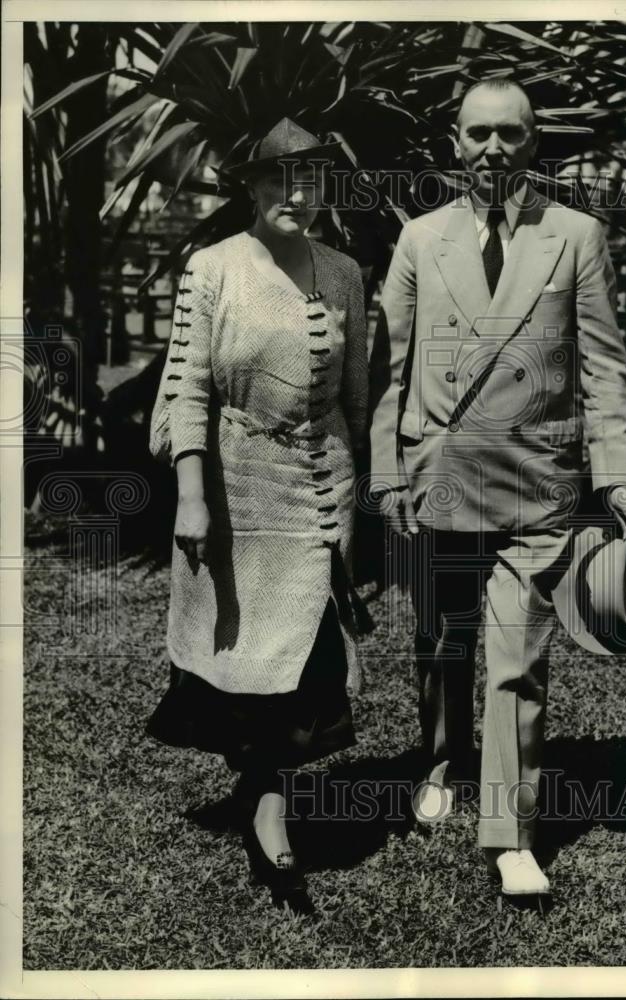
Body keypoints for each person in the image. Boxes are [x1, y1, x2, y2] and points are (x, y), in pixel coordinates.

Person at [369, 79, 626, 897]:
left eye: (509, 133)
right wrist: (387, 473)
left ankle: (510, 835)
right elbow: (389, 370)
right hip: (439, 475)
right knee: (440, 638)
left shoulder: (575, 235)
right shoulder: (421, 238)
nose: (492, 148)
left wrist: (619, 476)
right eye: (477, 134)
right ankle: (439, 760)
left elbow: (602, 369)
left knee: (516, 658)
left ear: (533, 143)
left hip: (537, 481)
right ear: (454, 144)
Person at [146, 118, 370, 914]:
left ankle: (267, 797)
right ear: (251, 186)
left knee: (305, 653)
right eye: (279, 179)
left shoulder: (344, 274)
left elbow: (356, 395)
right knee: (244, 648)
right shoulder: (213, 269)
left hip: (320, 486)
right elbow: (188, 389)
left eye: (310, 181)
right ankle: (264, 796)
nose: (296, 196)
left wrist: (362, 495)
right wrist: (192, 496)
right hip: (236, 486)